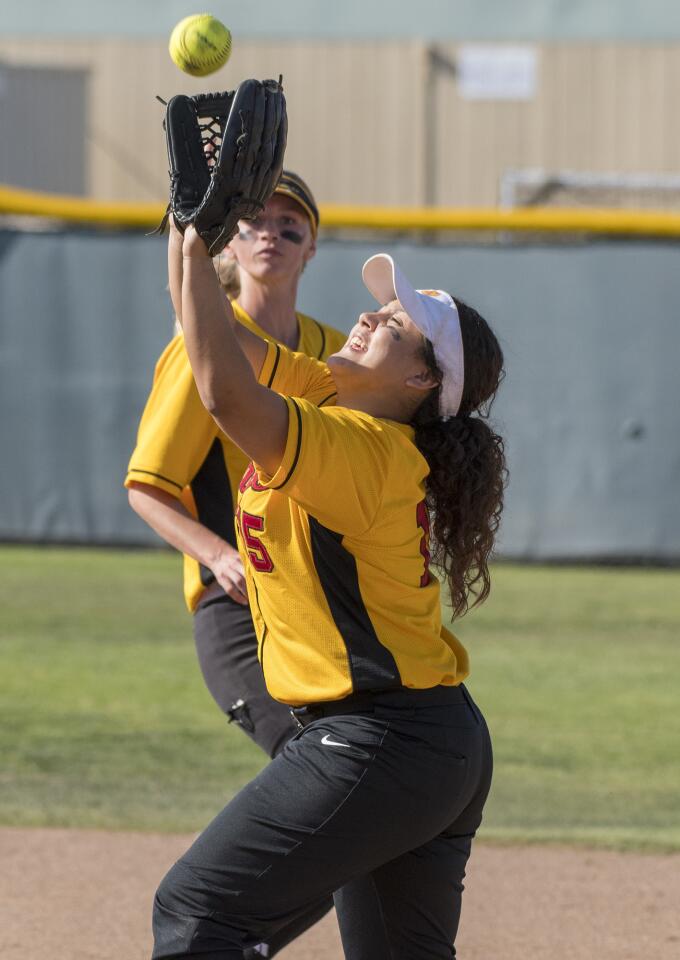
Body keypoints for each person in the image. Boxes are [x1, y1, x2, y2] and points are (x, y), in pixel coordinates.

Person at [150, 215, 506, 960]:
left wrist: (193, 243)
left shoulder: (365, 447)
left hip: (377, 739)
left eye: (397, 323)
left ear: (419, 379)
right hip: (429, 742)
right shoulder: (331, 394)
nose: (371, 313)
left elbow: (223, 395)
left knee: (196, 912)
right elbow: (214, 337)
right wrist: (191, 237)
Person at [126, 171, 346, 760]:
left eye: (289, 225)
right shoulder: (198, 351)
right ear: (230, 244)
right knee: (312, 761)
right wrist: (219, 557)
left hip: (315, 600)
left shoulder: (335, 349)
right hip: (238, 603)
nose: (270, 234)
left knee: (350, 764)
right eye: (252, 223)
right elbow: (147, 489)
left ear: (313, 246)